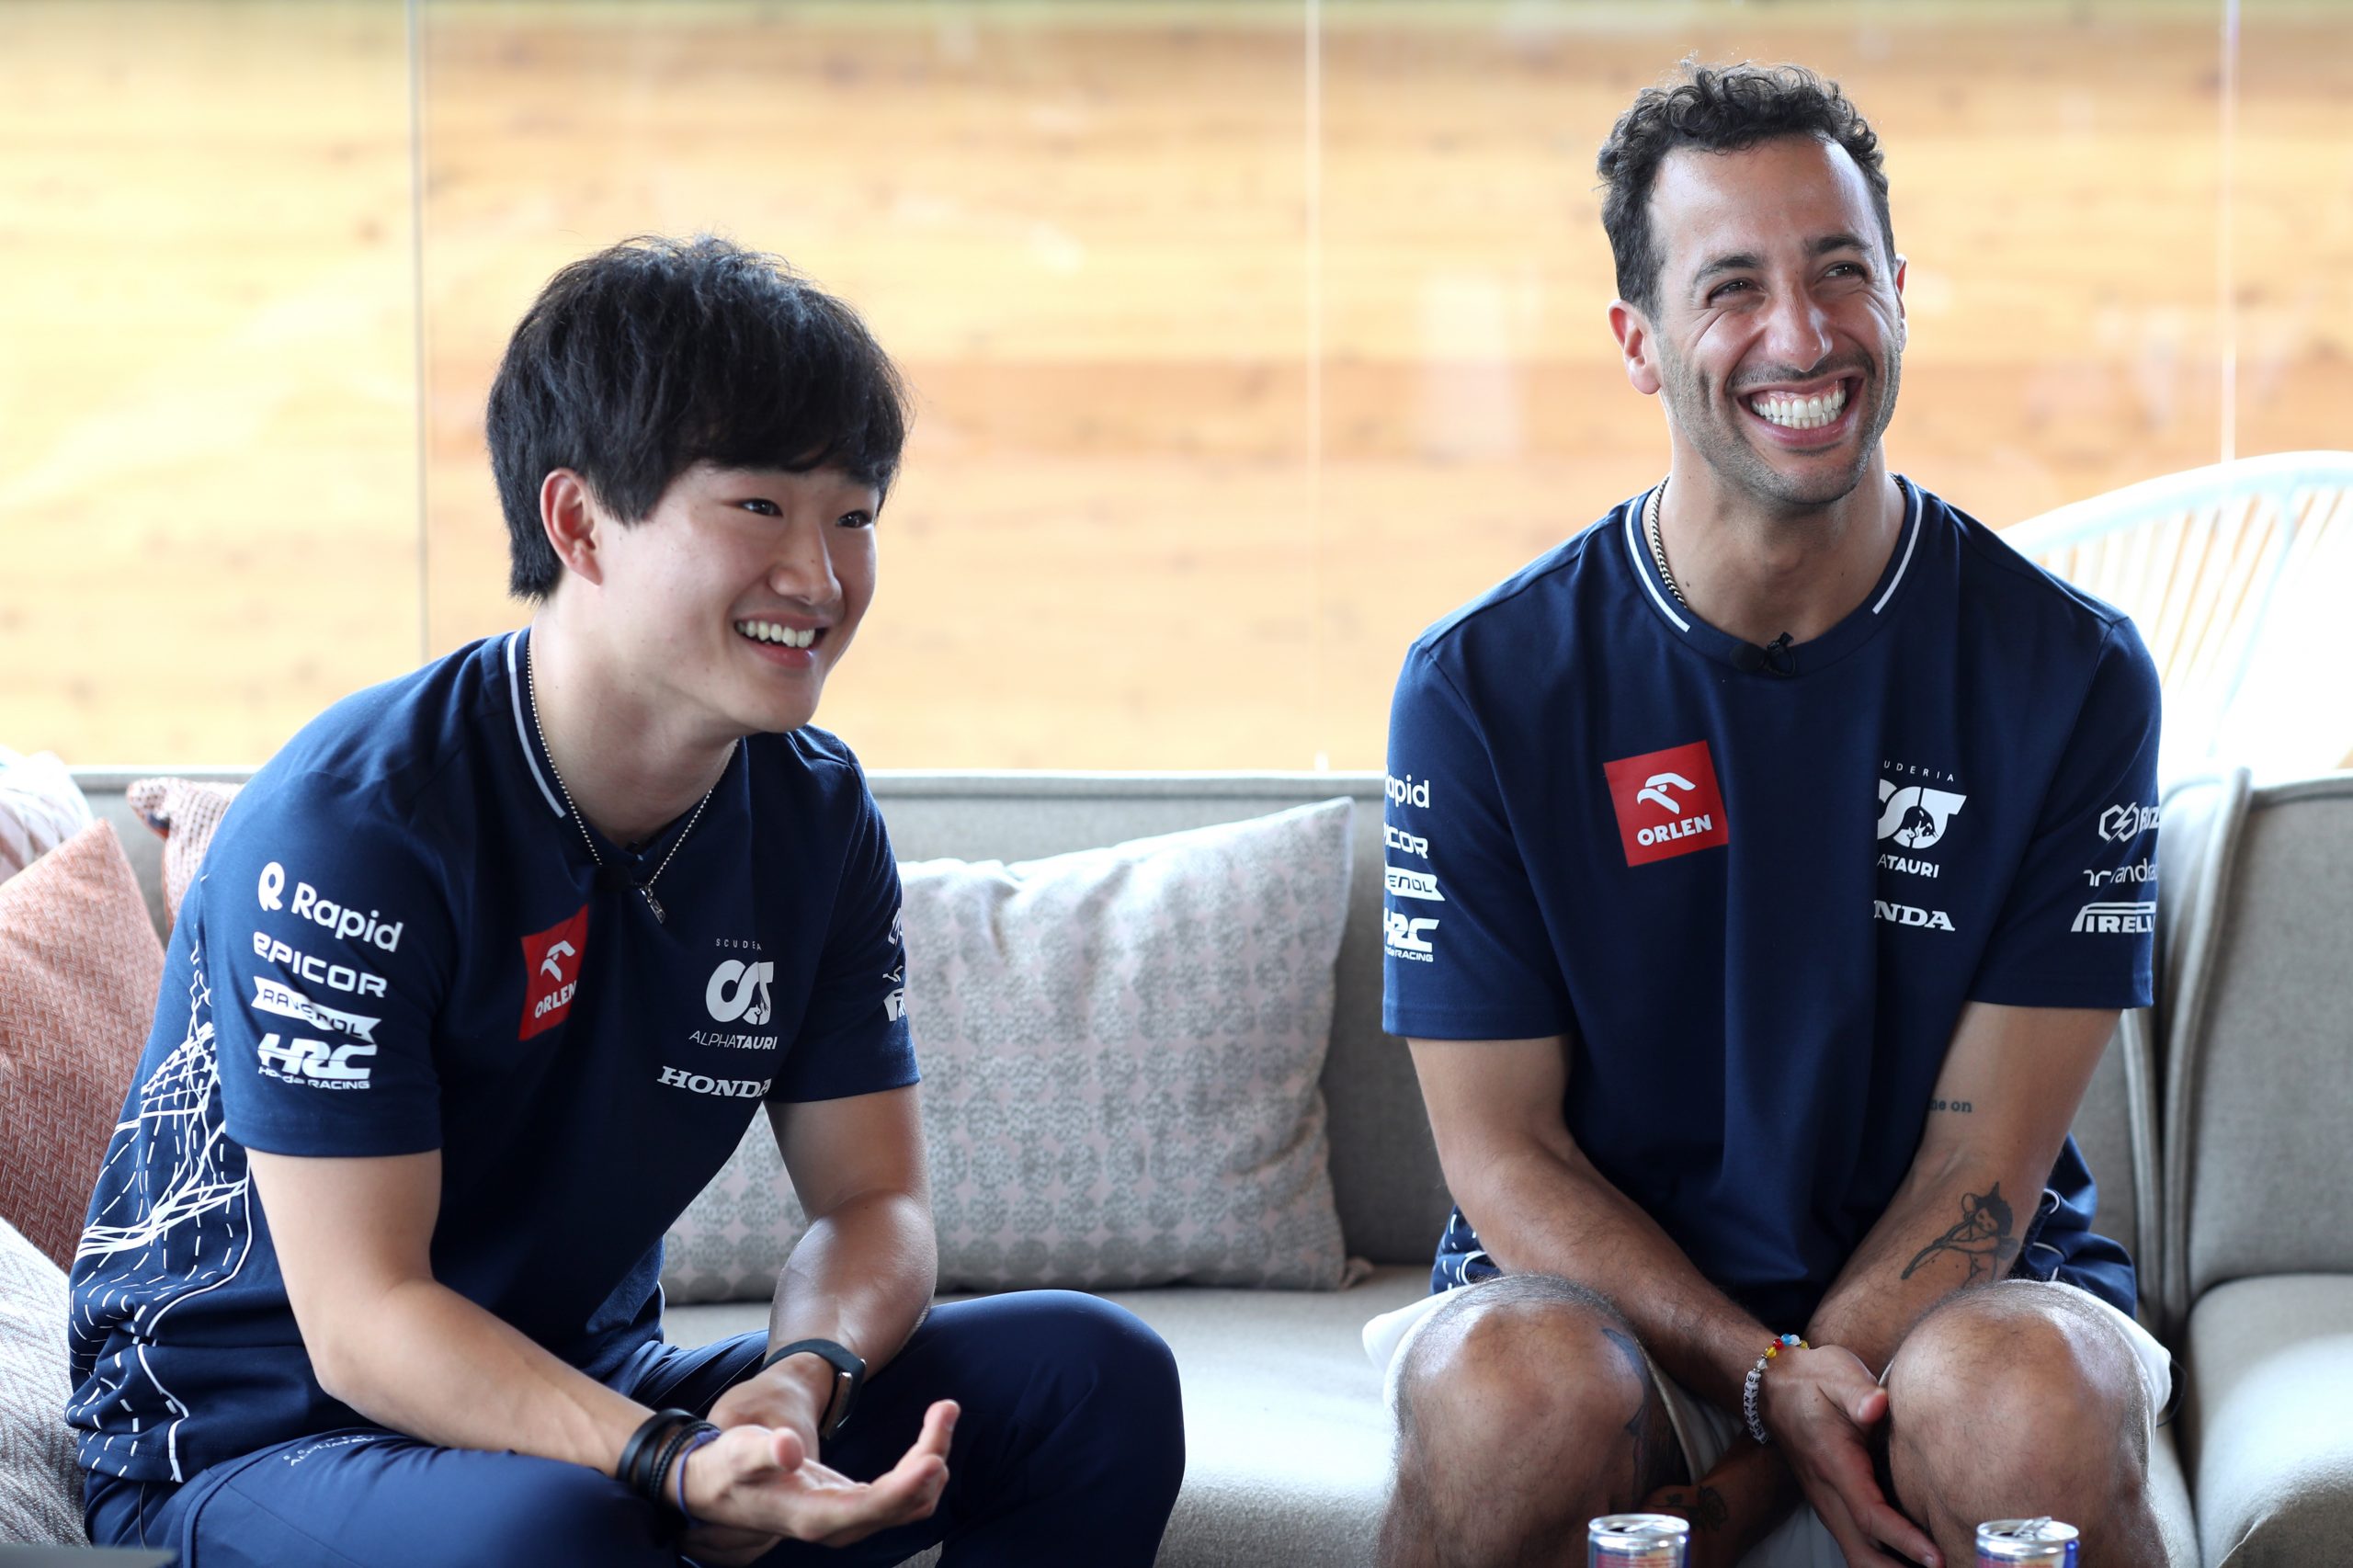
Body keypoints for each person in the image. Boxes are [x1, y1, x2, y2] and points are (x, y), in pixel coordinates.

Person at [67, 235, 1185, 1567]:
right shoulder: (358, 826)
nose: (822, 579)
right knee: (568, 1531)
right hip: (262, 1431)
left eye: (856, 513)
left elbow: (873, 1202)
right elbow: (364, 1321)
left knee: (1090, 1378)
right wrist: (669, 1459)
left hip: (590, 1390)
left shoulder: (814, 816)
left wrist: (796, 1384)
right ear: (578, 522)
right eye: (761, 508)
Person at [1366, 64, 2172, 1568]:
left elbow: (1981, 1170)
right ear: (1640, 341)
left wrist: (1781, 1429)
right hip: (1598, 1308)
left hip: (1960, 1303)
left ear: (1902, 296)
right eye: (1730, 286)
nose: (1801, 335)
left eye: (1841, 272)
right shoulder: (1481, 688)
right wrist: (1758, 1376)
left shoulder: (2072, 674)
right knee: (1509, 1399)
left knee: (2018, 1412)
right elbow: (1506, 1158)